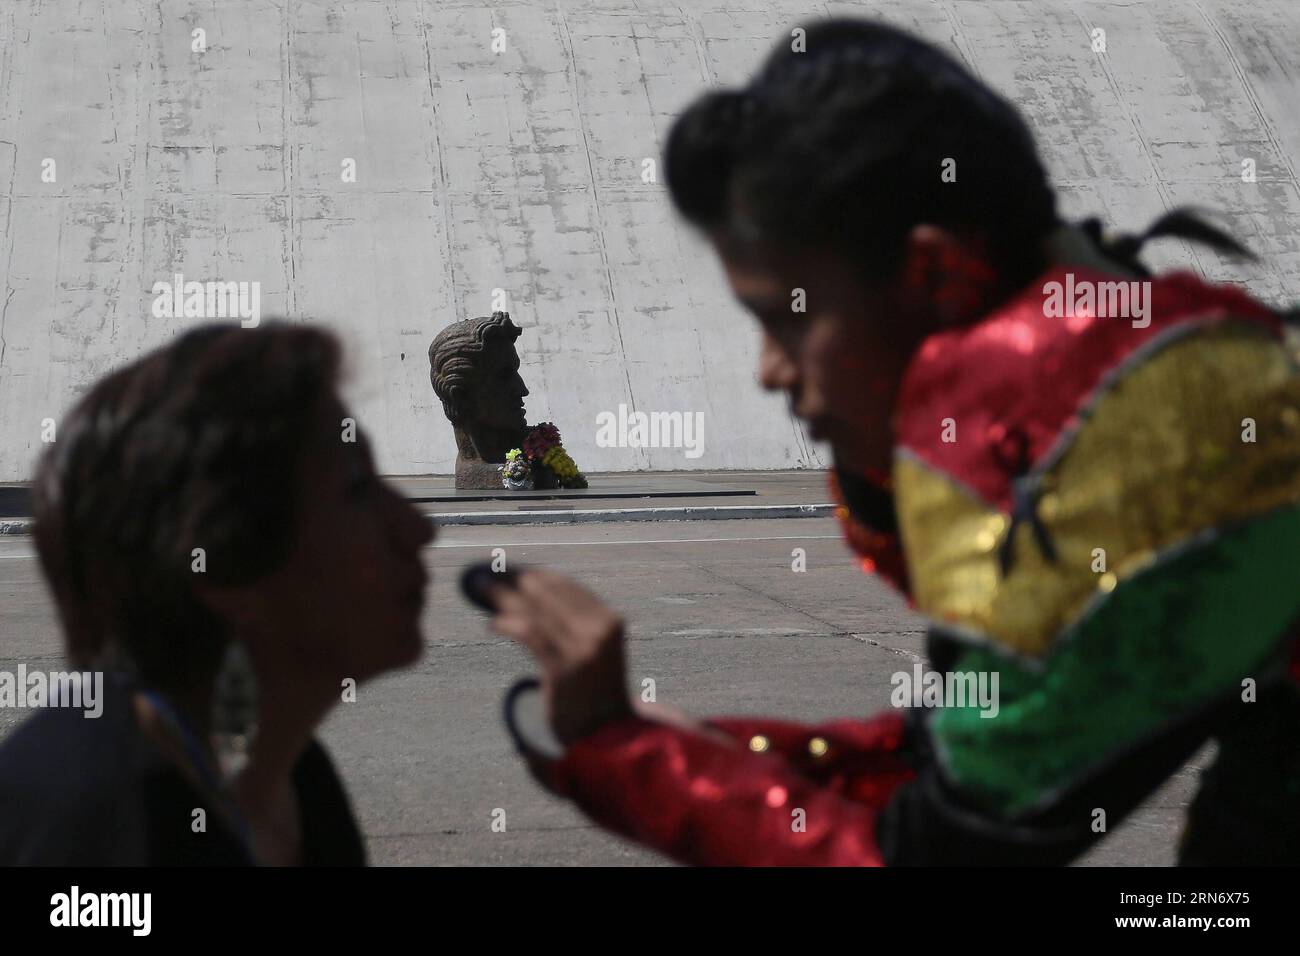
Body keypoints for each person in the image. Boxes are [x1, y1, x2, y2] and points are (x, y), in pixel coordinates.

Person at [488, 17, 1300, 865]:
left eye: (787, 321)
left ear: (936, 275)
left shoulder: (1136, 442)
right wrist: (679, 746)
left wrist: (631, 758)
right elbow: (954, 761)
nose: (768, 371)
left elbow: (929, 849)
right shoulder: (1137, 367)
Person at [0, 323, 434, 865]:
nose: (418, 528)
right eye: (356, 489)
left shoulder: (290, 774)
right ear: (224, 559)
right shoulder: (90, 822)